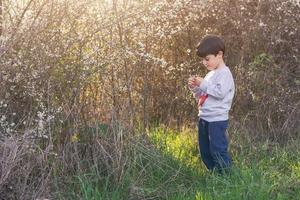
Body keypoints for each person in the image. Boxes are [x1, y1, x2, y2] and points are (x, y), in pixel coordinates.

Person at [188, 35, 235, 173]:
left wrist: (203, 83)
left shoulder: (225, 74)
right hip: (204, 117)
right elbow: (203, 95)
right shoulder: (210, 74)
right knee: (205, 149)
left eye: (207, 59)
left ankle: (226, 174)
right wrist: (195, 88)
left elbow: (219, 93)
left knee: (217, 149)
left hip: (216, 119)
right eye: (203, 60)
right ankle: (214, 172)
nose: (204, 62)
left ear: (219, 55)